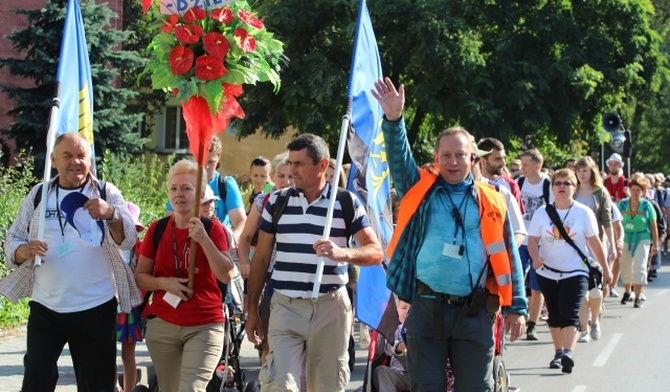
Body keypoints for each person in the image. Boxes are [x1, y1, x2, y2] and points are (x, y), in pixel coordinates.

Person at [372, 77, 527, 391]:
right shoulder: (421, 190)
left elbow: (509, 256)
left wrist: (517, 308)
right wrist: (394, 119)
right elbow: (400, 161)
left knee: (474, 388)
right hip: (426, 308)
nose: (453, 161)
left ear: (473, 159)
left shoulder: (493, 200)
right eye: (446, 155)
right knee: (426, 387)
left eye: (460, 155)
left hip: (475, 312)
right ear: (437, 158)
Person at [1, 132, 141, 391]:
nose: (75, 162)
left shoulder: (105, 192)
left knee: (97, 386)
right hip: (46, 307)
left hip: (95, 307)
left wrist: (111, 215)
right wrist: (24, 251)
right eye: (67, 156)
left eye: (81, 156)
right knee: (36, 381)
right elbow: (12, 241)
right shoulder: (38, 195)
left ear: (90, 160)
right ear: (54, 160)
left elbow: (129, 240)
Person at [245, 133, 383, 392]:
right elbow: (261, 259)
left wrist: (343, 254)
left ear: (322, 165)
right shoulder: (277, 202)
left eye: (299, 164)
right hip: (285, 306)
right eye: (290, 162)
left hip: (330, 308)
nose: (291, 170)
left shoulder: (345, 202)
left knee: (327, 386)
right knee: (279, 385)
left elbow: (375, 252)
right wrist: (252, 309)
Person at [136, 159, 236, 392]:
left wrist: (204, 240)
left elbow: (226, 274)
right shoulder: (157, 229)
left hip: (204, 325)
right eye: (174, 188)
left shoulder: (213, 229)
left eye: (186, 188)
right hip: (163, 326)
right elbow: (141, 277)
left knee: (191, 389)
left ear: (200, 193)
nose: (178, 194)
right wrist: (164, 283)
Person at [527, 169, 612, 374]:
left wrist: (606, 268)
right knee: (555, 314)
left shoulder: (583, 212)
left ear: (574, 187)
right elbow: (532, 239)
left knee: (571, 312)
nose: (562, 187)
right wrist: (535, 258)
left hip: (576, 271)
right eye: (558, 183)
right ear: (553, 187)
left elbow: (594, 241)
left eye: (567, 183)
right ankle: (558, 352)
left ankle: (568, 353)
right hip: (547, 272)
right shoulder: (542, 213)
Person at [237, 152, 294, 366]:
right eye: (281, 176)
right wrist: (245, 261)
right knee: (269, 342)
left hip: (298, 279)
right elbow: (244, 238)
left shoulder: (306, 201)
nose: (286, 181)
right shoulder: (264, 201)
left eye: (291, 176)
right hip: (271, 277)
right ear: (273, 176)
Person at [166, 136, 247, 237]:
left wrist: (231, 241)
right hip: (188, 242)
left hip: (218, 242)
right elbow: (170, 219)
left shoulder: (225, 184)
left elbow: (241, 221)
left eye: (211, 162)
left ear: (218, 159)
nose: (206, 167)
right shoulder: (181, 184)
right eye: (202, 161)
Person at [573, 157, 615, 343]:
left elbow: (607, 220)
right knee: (581, 290)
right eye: (579, 170)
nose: (582, 174)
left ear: (592, 172)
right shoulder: (572, 190)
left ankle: (595, 319)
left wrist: (612, 245)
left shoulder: (600, 192)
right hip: (576, 246)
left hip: (596, 244)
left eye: (585, 170)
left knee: (596, 290)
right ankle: (583, 329)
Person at [517, 148, 554, 341]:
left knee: (536, 284)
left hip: (540, 241)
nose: (522, 168)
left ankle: (532, 324)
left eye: (525, 165)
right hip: (522, 238)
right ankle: (517, 314)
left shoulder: (548, 186)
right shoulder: (519, 183)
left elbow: (555, 213)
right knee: (516, 277)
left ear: (537, 166)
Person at [116, 202, 146, 392]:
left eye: (133, 228)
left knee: (128, 353)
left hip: (132, 305)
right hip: (110, 303)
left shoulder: (141, 249)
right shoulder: (109, 246)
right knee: (107, 349)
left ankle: (129, 389)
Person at [617, 175, 659, 308]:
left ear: (643, 191)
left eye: (638, 190)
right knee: (625, 267)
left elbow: (653, 226)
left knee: (640, 267)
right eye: (633, 189)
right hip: (625, 238)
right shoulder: (622, 204)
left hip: (642, 238)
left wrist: (656, 244)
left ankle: (638, 295)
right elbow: (616, 223)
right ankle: (628, 291)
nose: (635, 192)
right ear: (629, 190)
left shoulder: (647, 206)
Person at [476, 137, 525, 216]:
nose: (504, 163)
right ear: (482, 161)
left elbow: (518, 223)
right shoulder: (468, 184)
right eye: (498, 159)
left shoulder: (511, 186)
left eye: (503, 158)